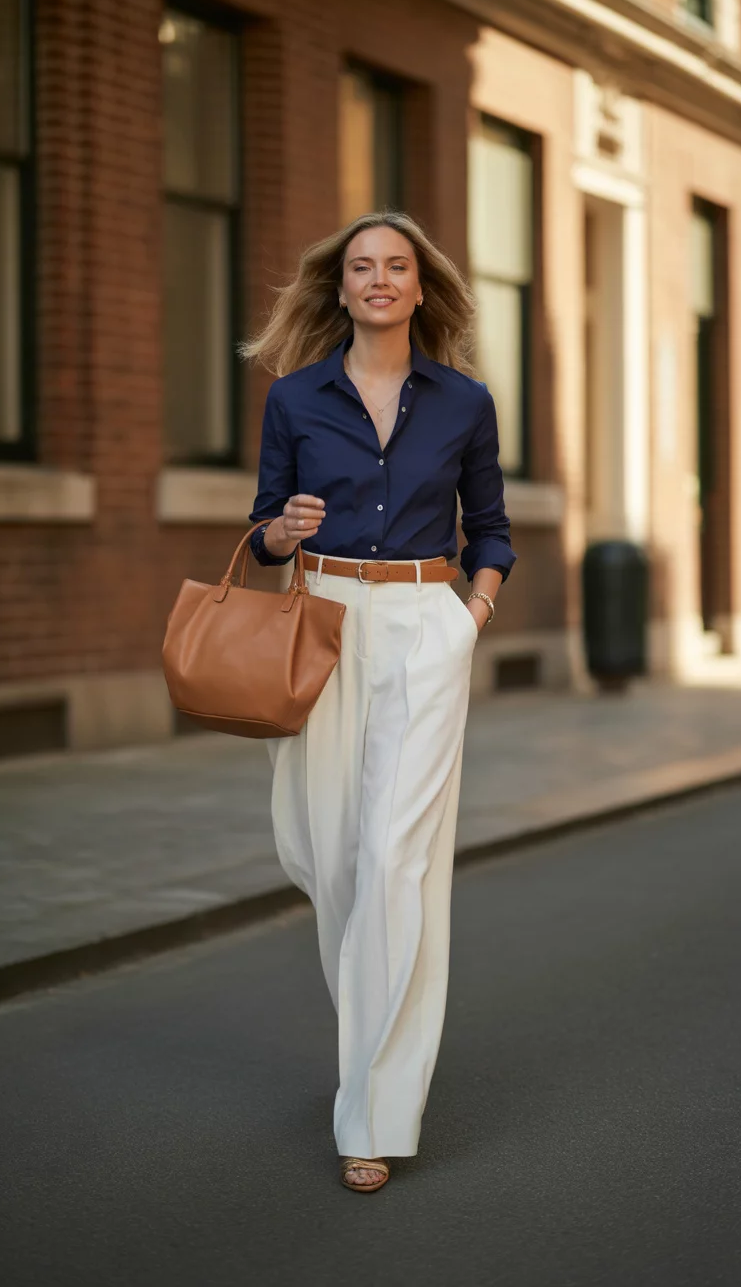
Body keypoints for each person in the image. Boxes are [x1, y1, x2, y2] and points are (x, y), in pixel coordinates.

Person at [243, 211, 516, 1193]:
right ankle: (370, 1054)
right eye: (363, 266)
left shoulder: (465, 403)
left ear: (420, 286)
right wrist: (285, 530)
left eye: (396, 266)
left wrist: (470, 617)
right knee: (335, 861)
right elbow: (262, 526)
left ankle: (374, 1115)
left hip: (422, 627)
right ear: (341, 287)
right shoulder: (295, 399)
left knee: (399, 861)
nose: (379, 279)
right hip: (321, 622)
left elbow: (491, 528)